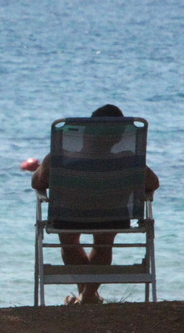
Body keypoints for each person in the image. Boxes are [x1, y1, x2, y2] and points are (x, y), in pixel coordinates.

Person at [31, 103, 159, 305]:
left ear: (87, 132)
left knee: (69, 240)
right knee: (104, 241)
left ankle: (86, 296)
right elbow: (153, 184)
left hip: (69, 218)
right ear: (118, 137)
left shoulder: (59, 159)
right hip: (113, 218)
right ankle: (88, 296)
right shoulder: (128, 159)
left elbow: (37, 183)